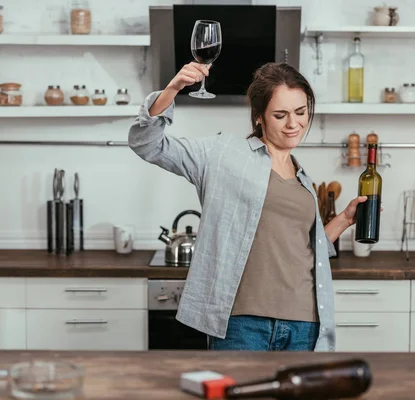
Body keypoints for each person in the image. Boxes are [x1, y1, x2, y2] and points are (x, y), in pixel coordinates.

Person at [128, 61, 367, 352]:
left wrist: (344, 219)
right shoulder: (222, 154)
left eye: (301, 113)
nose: (294, 124)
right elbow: (148, 144)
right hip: (242, 324)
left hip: (305, 322)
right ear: (258, 118)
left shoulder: (304, 179)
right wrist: (173, 88)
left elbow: (303, 250)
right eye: (280, 115)